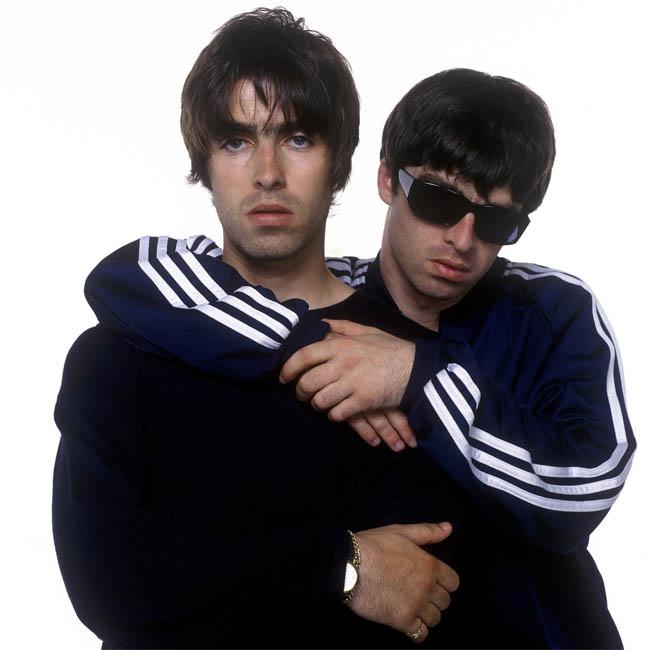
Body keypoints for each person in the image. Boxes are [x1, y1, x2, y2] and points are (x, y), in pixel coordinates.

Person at [56, 7, 630, 650]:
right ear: (203, 162)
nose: (267, 173)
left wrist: (414, 375)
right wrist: (344, 566)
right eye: (236, 141)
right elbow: (107, 583)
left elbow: (444, 592)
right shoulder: (123, 344)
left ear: (342, 164)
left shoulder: (411, 358)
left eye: (299, 139)